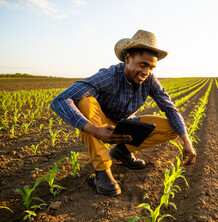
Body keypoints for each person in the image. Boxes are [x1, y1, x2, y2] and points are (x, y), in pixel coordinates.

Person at [50, 29, 196, 196]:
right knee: (85, 102)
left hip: (124, 124)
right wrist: (95, 130)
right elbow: (60, 100)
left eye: (151, 67)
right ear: (127, 59)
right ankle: (102, 170)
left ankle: (122, 151)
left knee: (172, 128)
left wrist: (187, 142)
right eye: (143, 65)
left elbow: (170, 108)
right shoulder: (109, 76)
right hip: (99, 124)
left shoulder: (150, 80)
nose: (146, 72)